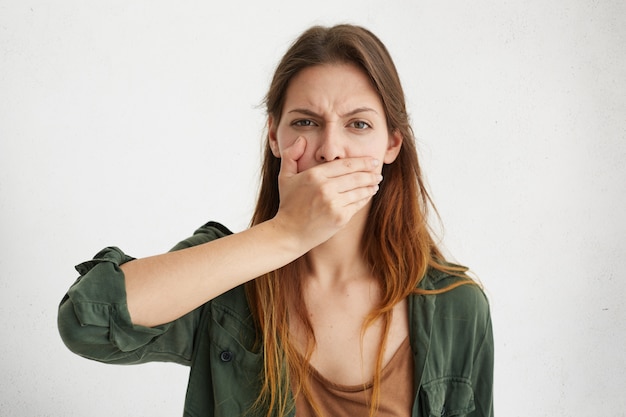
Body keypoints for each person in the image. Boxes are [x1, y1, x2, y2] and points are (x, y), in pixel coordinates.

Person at [58, 24, 494, 417]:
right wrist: (286, 234)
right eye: (306, 122)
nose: (330, 150)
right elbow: (86, 321)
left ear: (392, 144)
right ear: (274, 137)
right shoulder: (227, 285)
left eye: (358, 125)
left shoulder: (457, 307)